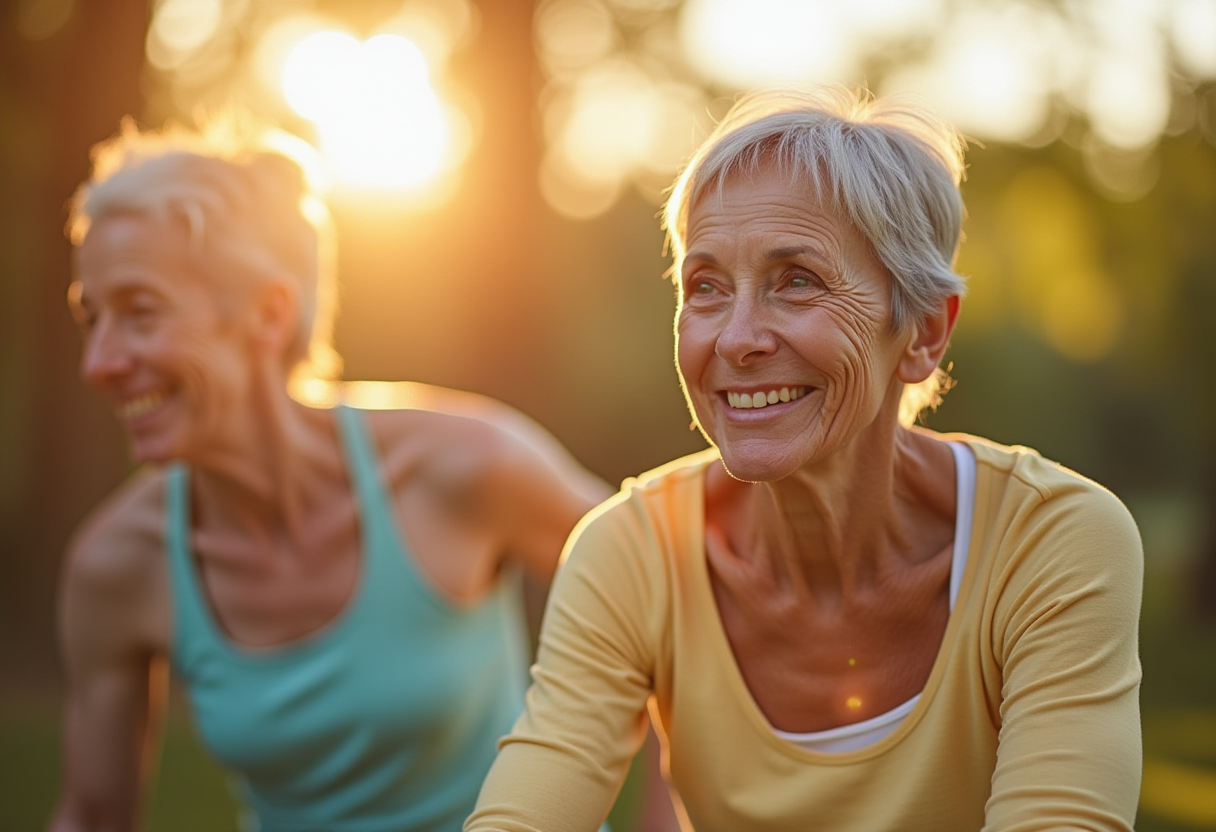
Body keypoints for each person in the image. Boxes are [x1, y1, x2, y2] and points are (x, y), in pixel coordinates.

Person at [466, 86, 1144, 831]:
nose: (735, 339)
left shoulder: (1051, 541)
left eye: (797, 281)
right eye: (706, 287)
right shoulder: (630, 551)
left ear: (923, 332)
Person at [45, 116, 618, 832]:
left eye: (140, 314)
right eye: (91, 319)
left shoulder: (464, 466)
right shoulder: (120, 565)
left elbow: (679, 601)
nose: (98, 364)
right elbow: (92, 816)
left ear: (268, 315)